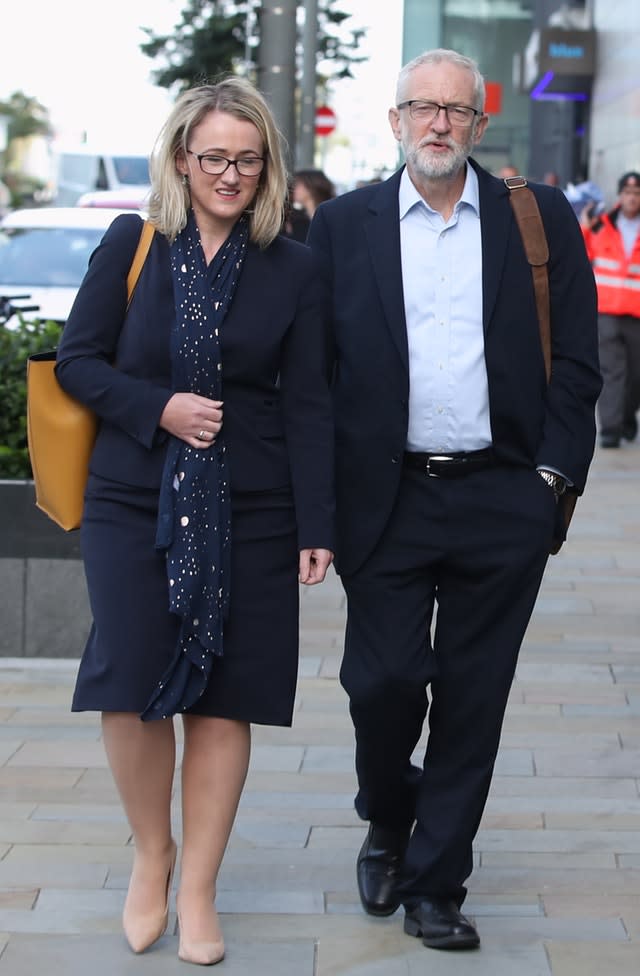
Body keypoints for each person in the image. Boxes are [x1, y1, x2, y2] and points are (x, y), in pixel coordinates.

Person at [307, 48, 601, 952]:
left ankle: (437, 882)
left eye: (456, 110)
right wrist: (318, 515)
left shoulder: (535, 219)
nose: (438, 123)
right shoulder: (345, 226)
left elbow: (578, 364)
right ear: (394, 122)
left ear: (480, 124)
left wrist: (550, 481)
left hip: (498, 501)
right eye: (420, 107)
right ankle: (388, 818)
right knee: (383, 685)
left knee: (474, 701)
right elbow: (314, 381)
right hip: (385, 501)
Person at [55, 76, 334, 965]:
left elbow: (312, 404)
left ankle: (201, 890)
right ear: (182, 157)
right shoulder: (134, 244)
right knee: (131, 681)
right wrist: (159, 408)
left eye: (248, 161)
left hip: (252, 506)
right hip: (133, 497)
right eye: (214, 157)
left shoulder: (294, 265)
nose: (231, 174)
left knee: (226, 695)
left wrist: (315, 522)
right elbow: (76, 363)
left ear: (268, 167)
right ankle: (153, 855)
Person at [580, 170, 640, 447]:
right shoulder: (601, 225)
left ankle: (627, 417)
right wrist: (583, 225)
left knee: (635, 374)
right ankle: (611, 429)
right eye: (628, 193)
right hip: (607, 310)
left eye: (637, 194)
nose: (632, 198)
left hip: (637, 314)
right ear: (620, 196)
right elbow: (580, 252)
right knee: (612, 371)